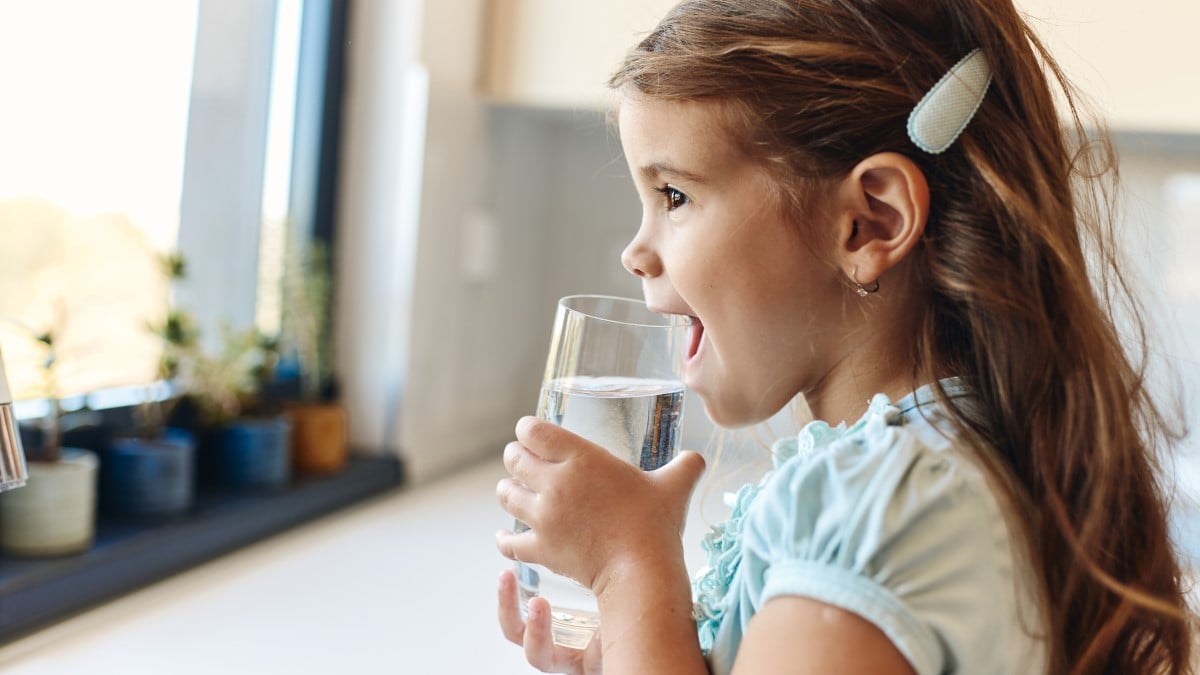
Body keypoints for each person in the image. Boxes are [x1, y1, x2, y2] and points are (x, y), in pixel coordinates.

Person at [493, 0, 1197, 673]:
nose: (636, 251)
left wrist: (628, 571)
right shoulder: (935, 473)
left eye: (673, 195)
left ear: (870, 224)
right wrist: (637, 645)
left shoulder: (882, 511)